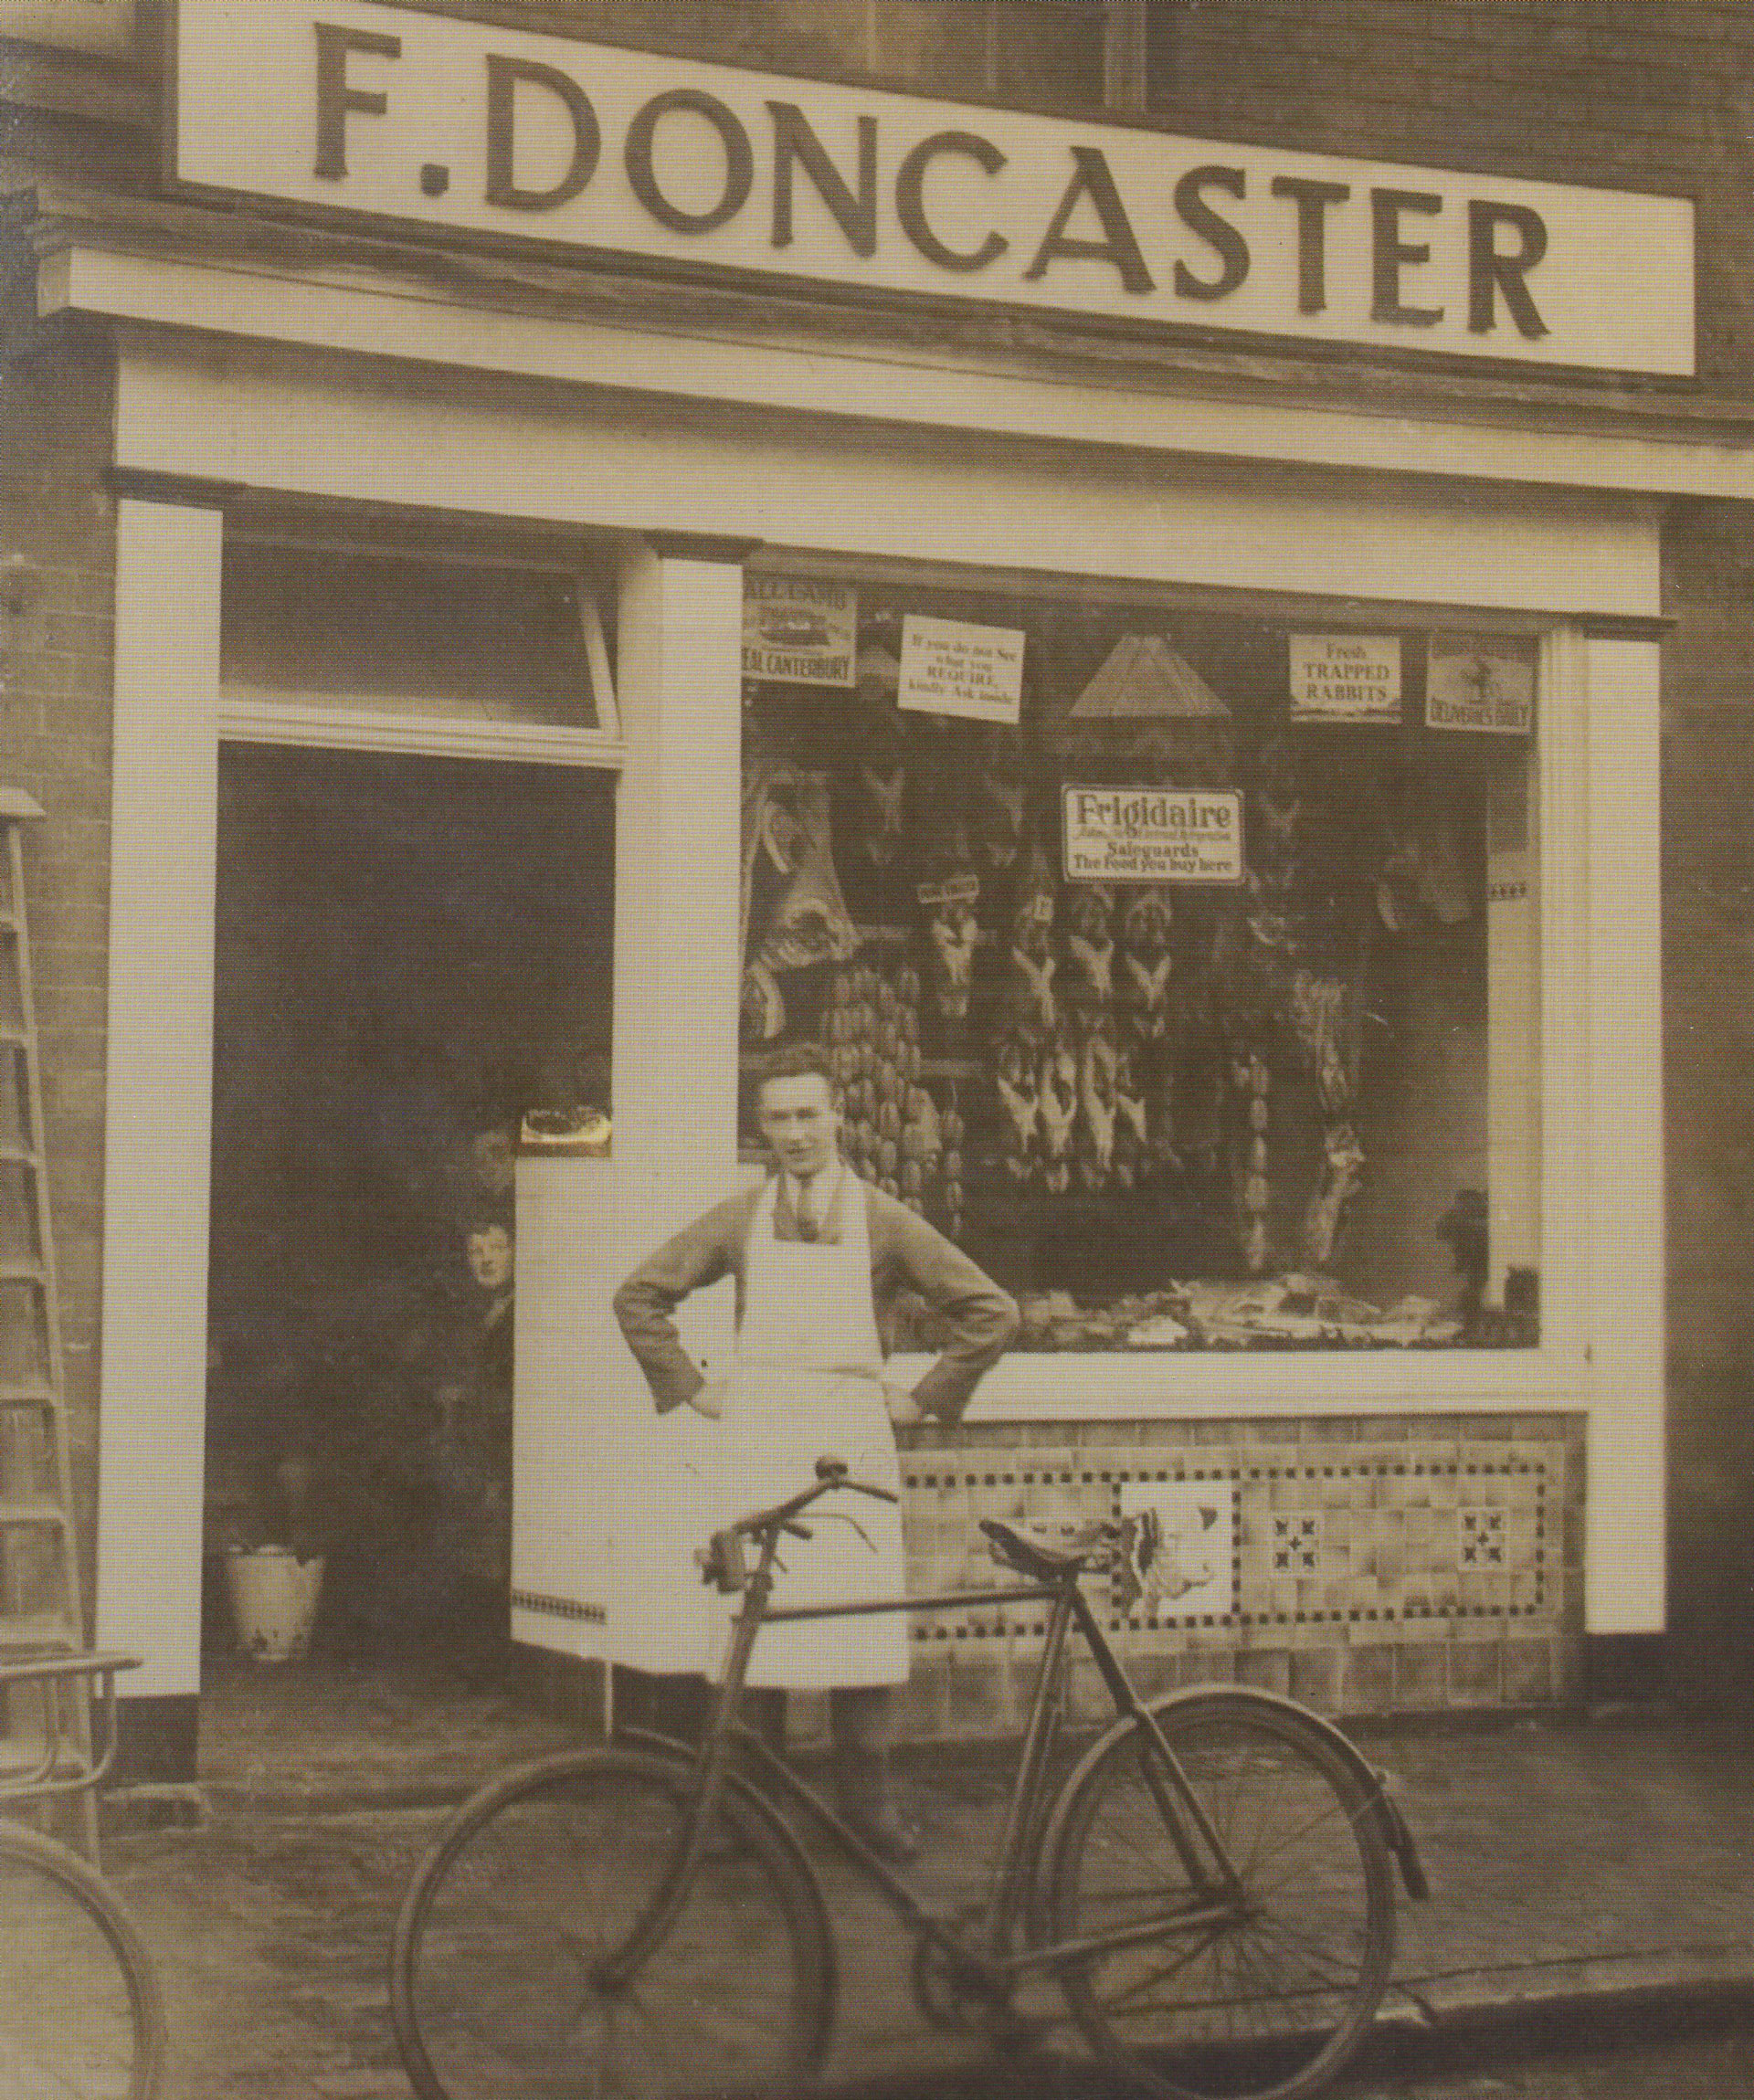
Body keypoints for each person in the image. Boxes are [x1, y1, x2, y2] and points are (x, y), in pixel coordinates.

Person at [614, 1041, 1018, 1861]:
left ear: (837, 1117)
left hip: (849, 1444)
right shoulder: (737, 1218)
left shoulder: (883, 1219)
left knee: (856, 1630)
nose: (795, 1133)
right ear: (760, 1127)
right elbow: (640, 1295)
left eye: (808, 1114)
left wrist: (923, 1396)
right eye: (777, 1117)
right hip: (759, 1440)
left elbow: (992, 1311)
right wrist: (694, 1386)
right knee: (753, 1618)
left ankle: (865, 1812)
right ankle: (749, 1813)